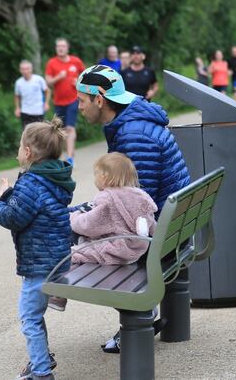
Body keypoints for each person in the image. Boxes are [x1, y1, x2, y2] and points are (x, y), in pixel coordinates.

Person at [75, 64, 190, 353]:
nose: (78, 107)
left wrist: (79, 218)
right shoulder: (129, 122)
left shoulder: (134, 135)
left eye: (81, 100)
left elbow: (133, 207)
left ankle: (140, 316)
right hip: (175, 224)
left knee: (71, 239)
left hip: (159, 236)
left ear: (99, 99)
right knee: (74, 222)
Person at [0, 117, 74, 380]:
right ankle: (42, 358)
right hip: (57, 258)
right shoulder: (53, 176)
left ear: (27, 152)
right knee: (35, 314)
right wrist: (7, 195)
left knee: (29, 317)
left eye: (19, 146)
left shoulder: (31, 182)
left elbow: (14, 217)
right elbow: (25, 207)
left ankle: (41, 372)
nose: (17, 151)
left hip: (40, 262)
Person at [48, 153, 158, 312]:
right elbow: (151, 224)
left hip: (114, 252)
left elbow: (88, 225)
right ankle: (145, 307)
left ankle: (58, 296)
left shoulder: (108, 198)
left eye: (96, 174)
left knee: (69, 255)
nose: (95, 179)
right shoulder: (140, 196)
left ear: (105, 177)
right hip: (136, 252)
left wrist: (72, 217)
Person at [44, 38, 85, 165]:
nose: (60, 48)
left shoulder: (76, 61)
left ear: (67, 48)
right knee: (59, 129)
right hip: (58, 101)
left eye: (63, 46)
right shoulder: (52, 63)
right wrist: (58, 77)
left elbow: (86, 76)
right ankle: (61, 153)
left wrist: (78, 81)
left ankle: (70, 156)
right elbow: (48, 81)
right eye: (58, 46)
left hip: (73, 99)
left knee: (70, 127)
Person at [14, 60, 50, 131]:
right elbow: (17, 96)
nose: (25, 71)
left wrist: (46, 103)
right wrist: (17, 108)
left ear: (31, 69)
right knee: (26, 133)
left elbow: (47, 91)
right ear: (20, 70)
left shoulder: (39, 79)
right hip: (25, 111)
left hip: (38, 111)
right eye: (23, 69)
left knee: (38, 133)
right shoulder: (18, 82)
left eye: (27, 69)